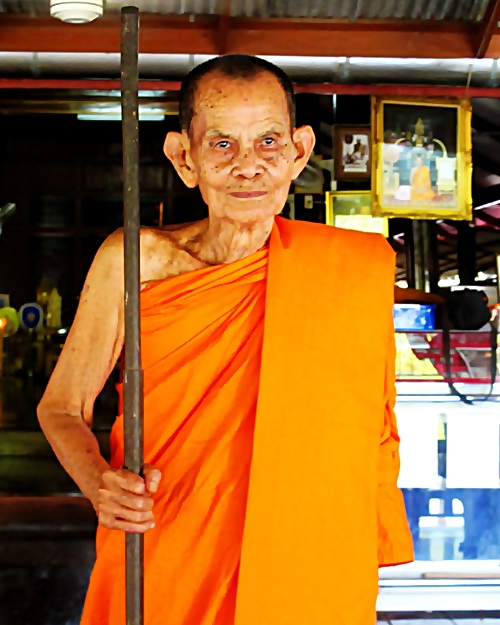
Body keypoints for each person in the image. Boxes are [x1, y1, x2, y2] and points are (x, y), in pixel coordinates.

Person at [37, 55, 413, 625]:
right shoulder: (135, 261)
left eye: (268, 142)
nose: (248, 168)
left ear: (299, 151)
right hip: (167, 539)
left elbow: (373, 429)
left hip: (304, 556)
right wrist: (101, 486)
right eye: (221, 145)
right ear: (184, 158)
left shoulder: (351, 271)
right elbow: (61, 407)